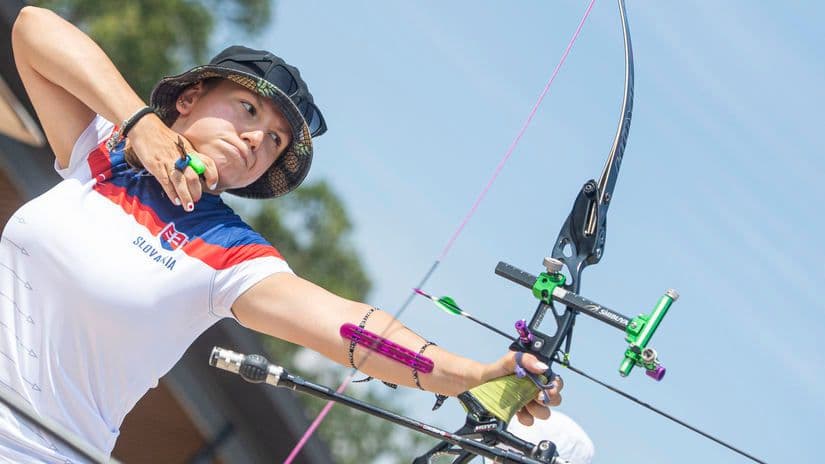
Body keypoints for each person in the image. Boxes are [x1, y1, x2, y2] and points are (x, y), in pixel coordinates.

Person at [1, 6, 563, 463]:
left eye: (273, 140)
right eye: (247, 109)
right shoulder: (103, 154)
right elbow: (32, 29)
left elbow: (353, 328)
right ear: (190, 98)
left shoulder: (233, 255)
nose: (256, 141)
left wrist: (470, 375)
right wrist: (139, 122)